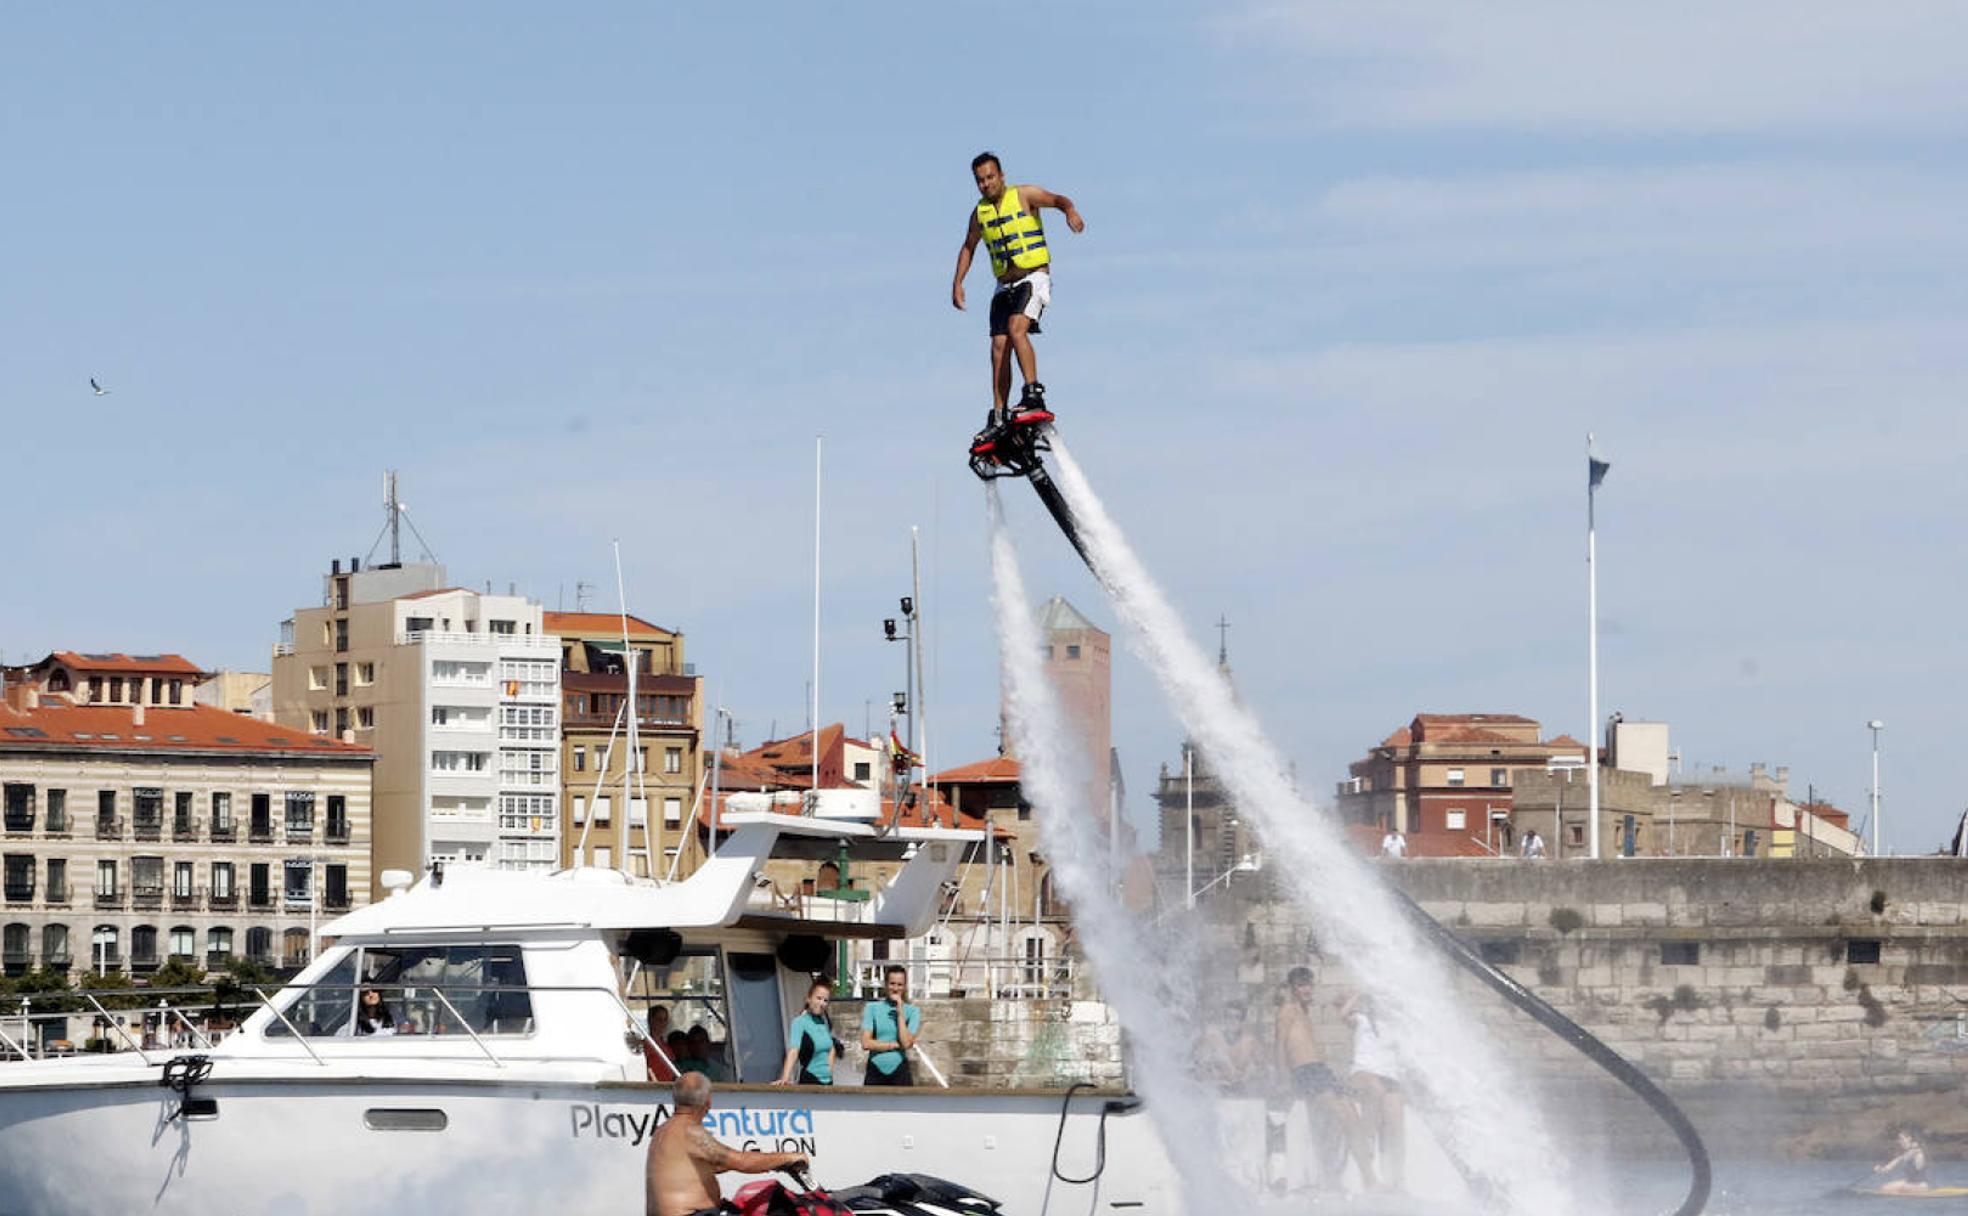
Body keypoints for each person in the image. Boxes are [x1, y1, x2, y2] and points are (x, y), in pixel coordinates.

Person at [951, 151, 1084, 426]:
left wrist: (1069, 211)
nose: (986, 184)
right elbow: (968, 246)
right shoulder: (980, 214)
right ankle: (999, 414)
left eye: (990, 177)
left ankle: (1033, 393)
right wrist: (958, 282)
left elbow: (1058, 200)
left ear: (1001, 176)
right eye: (980, 181)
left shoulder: (1024, 195)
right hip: (1004, 286)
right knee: (998, 347)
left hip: (1032, 278)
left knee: (1016, 329)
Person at [645, 1072, 808, 1216]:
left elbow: (704, 1167)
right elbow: (742, 1162)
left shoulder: (662, 1130)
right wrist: (789, 1156)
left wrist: (765, 1161)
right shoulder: (691, 1132)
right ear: (707, 1101)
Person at [1274, 966, 1376, 1194]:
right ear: (1292, 988)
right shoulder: (1287, 1010)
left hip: (1319, 1071)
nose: (1307, 989)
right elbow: (1280, 1045)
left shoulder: (1304, 1011)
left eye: (1309, 984)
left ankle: (1334, 1177)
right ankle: (1365, 1179)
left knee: (1346, 1116)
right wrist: (1282, 1079)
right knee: (1343, 1115)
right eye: (1301, 985)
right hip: (1306, 1072)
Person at [1339, 990, 1404, 1193]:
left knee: (1396, 1122)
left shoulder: (1396, 1026)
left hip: (1390, 1077)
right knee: (1375, 1087)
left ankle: (1397, 1179)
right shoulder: (1362, 1020)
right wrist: (1358, 994)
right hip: (1363, 1073)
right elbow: (1343, 1015)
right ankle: (1367, 1137)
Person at [860, 965, 922, 1086]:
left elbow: (906, 1043)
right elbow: (866, 1043)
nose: (895, 988)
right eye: (892, 984)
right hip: (875, 1070)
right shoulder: (872, 1008)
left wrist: (900, 1013)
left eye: (900, 985)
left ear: (904, 986)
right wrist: (892, 1045)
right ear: (886, 984)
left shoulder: (913, 1011)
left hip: (899, 1070)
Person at [776, 979, 841, 1086]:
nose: (822, 1003)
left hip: (828, 1082)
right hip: (810, 1079)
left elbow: (831, 1048)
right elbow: (793, 1051)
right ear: (808, 999)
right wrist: (785, 1077)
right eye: (818, 998)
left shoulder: (823, 1022)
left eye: (825, 1000)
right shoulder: (799, 1022)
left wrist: (828, 1070)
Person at [1874, 1126, 1931, 1194]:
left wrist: (1916, 1156)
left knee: (1893, 1188)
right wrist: (1880, 1169)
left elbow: (1919, 1167)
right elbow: (1888, 1168)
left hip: (1920, 1186)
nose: (1900, 1141)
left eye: (1901, 1139)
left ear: (1909, 1139)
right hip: (1909, 1183)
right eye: (1899, 1139)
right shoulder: (1903, 1154)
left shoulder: (1918, 1152)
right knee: (1883, 1188)